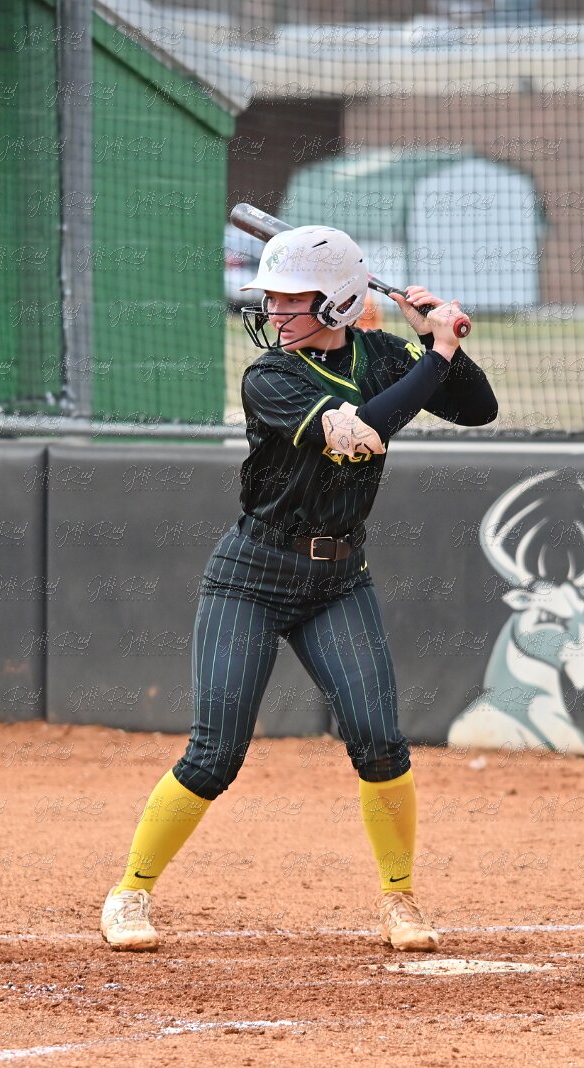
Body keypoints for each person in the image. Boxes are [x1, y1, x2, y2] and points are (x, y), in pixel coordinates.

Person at [98, 225, 497, 953]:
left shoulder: (381, 355)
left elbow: (478, 409)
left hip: (339, 580)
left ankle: (400, 900)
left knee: (380, 742)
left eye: (292, 300)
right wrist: (436, 355)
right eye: (273, 300)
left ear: (339, 300)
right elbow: (360, 435)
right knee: (216, 754)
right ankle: (130, 891)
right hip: (251, 576)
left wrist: (436, 340)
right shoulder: (270, 377)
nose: (275, 313)